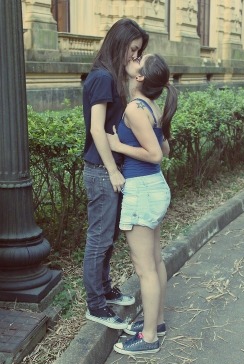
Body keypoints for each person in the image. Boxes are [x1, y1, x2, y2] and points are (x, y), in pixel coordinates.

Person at [106, 54, 178, 354]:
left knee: (144, 268)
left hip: (143, 189)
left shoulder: (137, 108)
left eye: (139, 59)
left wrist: (118, 146)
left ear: (140, 77)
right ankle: (156, 322)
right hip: (154, 187)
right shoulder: (150, 105)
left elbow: (157, 154)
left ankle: (148, 338)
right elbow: (165, 144)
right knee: (156, 260)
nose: (134, 59)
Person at [82, 18, 149, 330]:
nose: (135, 58)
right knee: (99, 238)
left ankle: (105, 290)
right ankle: (95, 305)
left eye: (138, 53)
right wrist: (112, 171)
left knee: (107, 238)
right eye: (133, 51)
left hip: (109, 170)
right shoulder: (101, 78)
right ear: (119, 44)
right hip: (101, 171)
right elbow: (97, 128)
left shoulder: (112, 77)